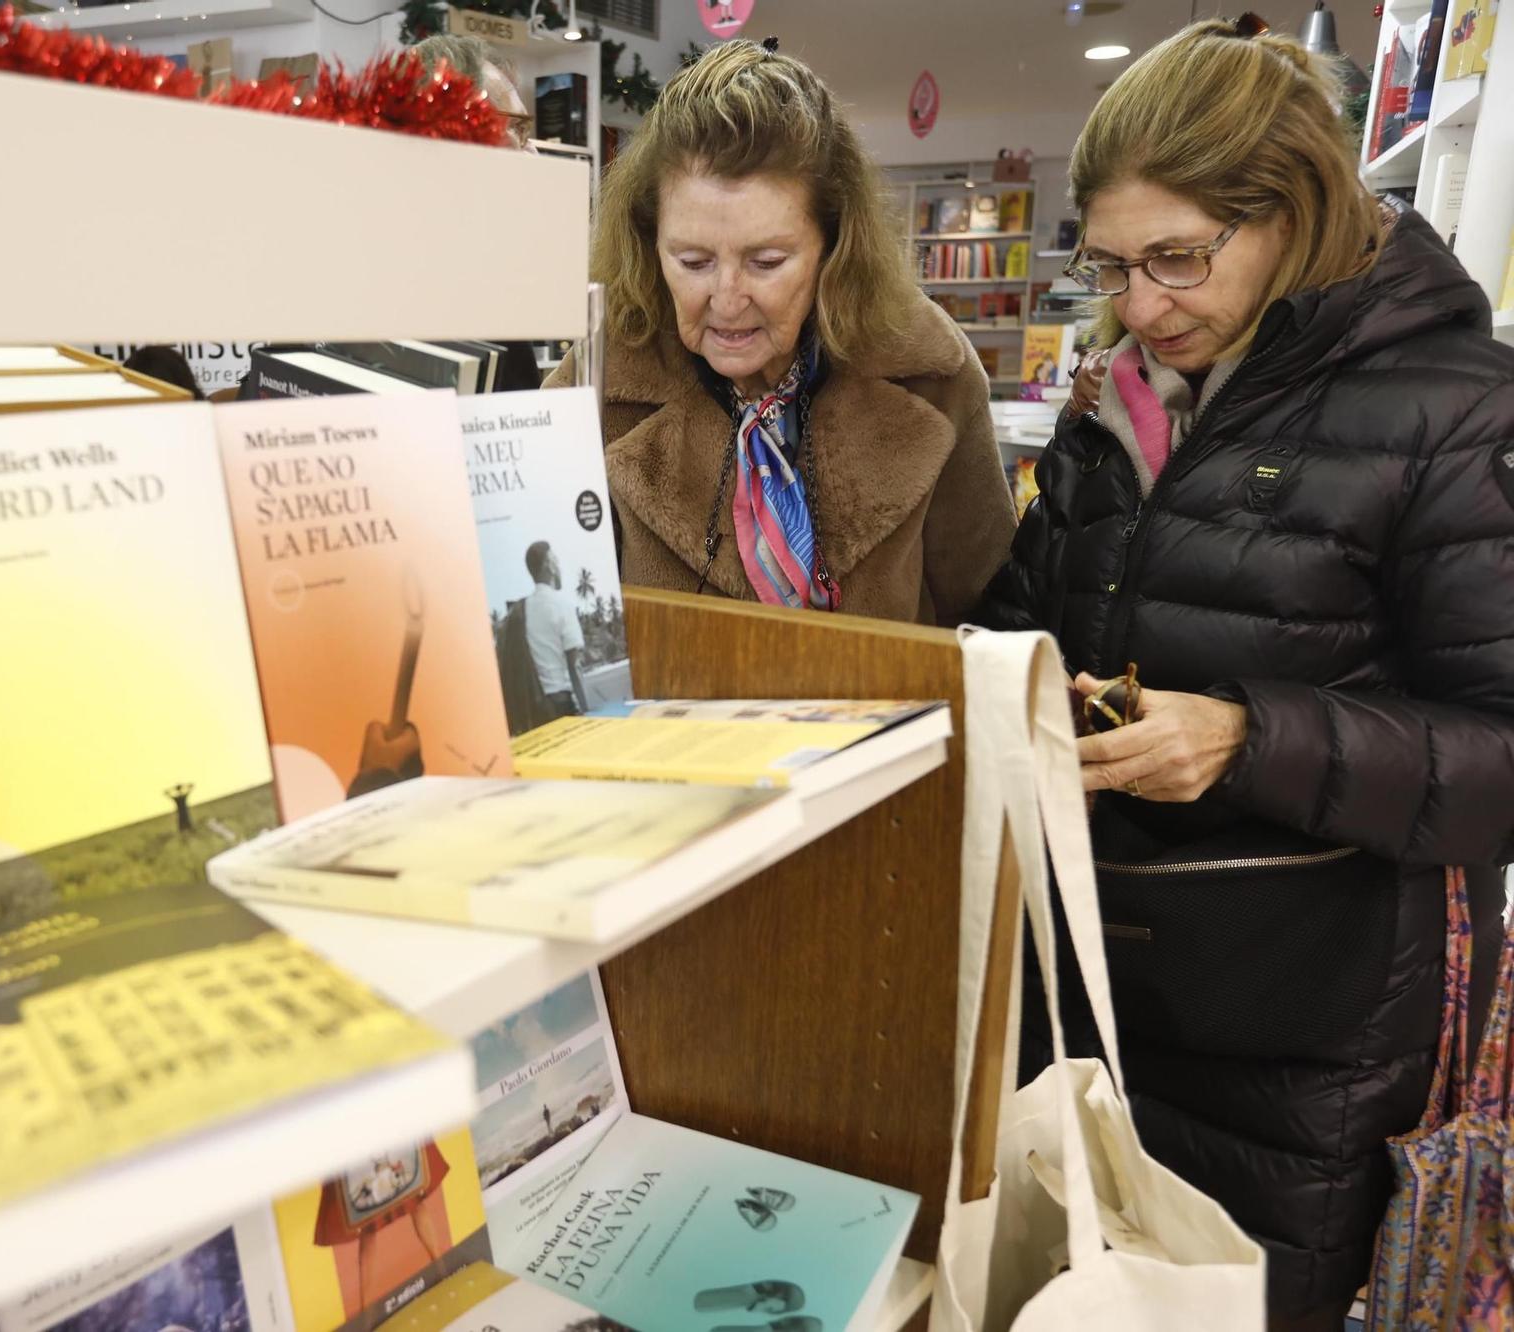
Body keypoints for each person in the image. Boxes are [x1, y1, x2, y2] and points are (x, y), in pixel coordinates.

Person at [971, 19, 1514, 1329]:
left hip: (1310, 1046)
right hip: (1091, 994)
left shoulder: (1455, 409)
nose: (1144, 305)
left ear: (1299, 215)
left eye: (1179, 258)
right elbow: (1030, 611)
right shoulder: (1124, 389)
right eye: (1112, 264)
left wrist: (1245, 738)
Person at [545, 40, 1012, 626]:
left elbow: (991, 610)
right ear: (648, 244)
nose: (728, 299)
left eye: (766, 262)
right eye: (692, 262)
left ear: (835, 246)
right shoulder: (597, 381)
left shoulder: (932, 372)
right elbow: (548, 610)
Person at [522, 542, 586, 720]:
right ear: (549, 565)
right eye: (556, 560)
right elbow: (574, 666)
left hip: (536, 708)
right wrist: (587, 711)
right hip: (562, 703)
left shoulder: (523, 610)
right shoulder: (561, 605)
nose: (560, 567)